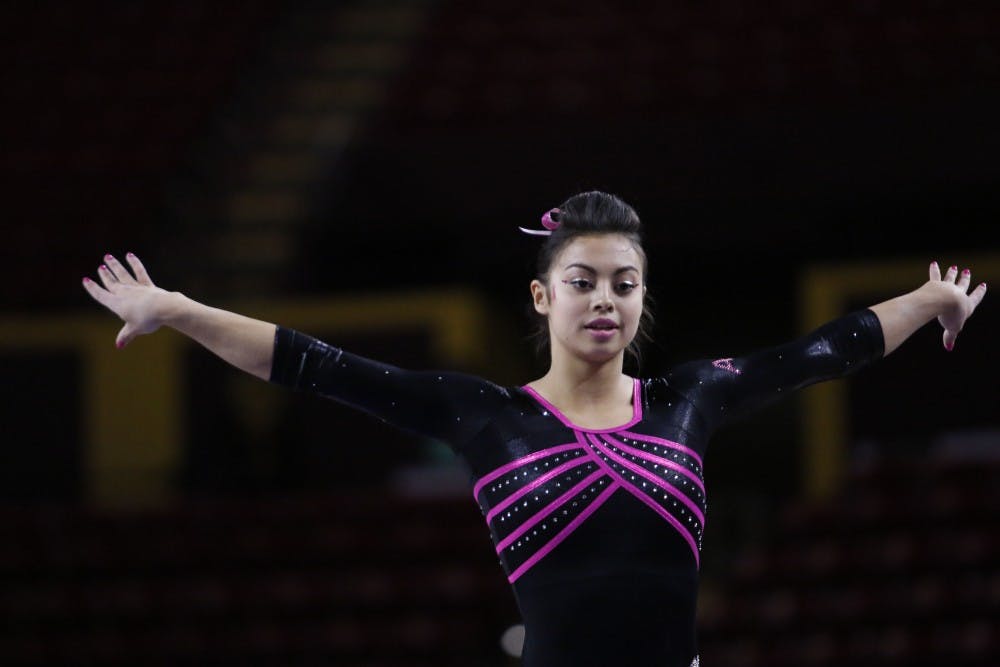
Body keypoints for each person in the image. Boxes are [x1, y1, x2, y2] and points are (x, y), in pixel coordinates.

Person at [82, 191, 986, 667]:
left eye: (624, 283)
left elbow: (825, 350)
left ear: (642, 299)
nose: (604, 300)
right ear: (543, 295)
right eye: (583, 281)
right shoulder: (486, 414)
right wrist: (177, 308)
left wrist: (933, 295)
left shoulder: (687, 399)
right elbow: (313, 363)